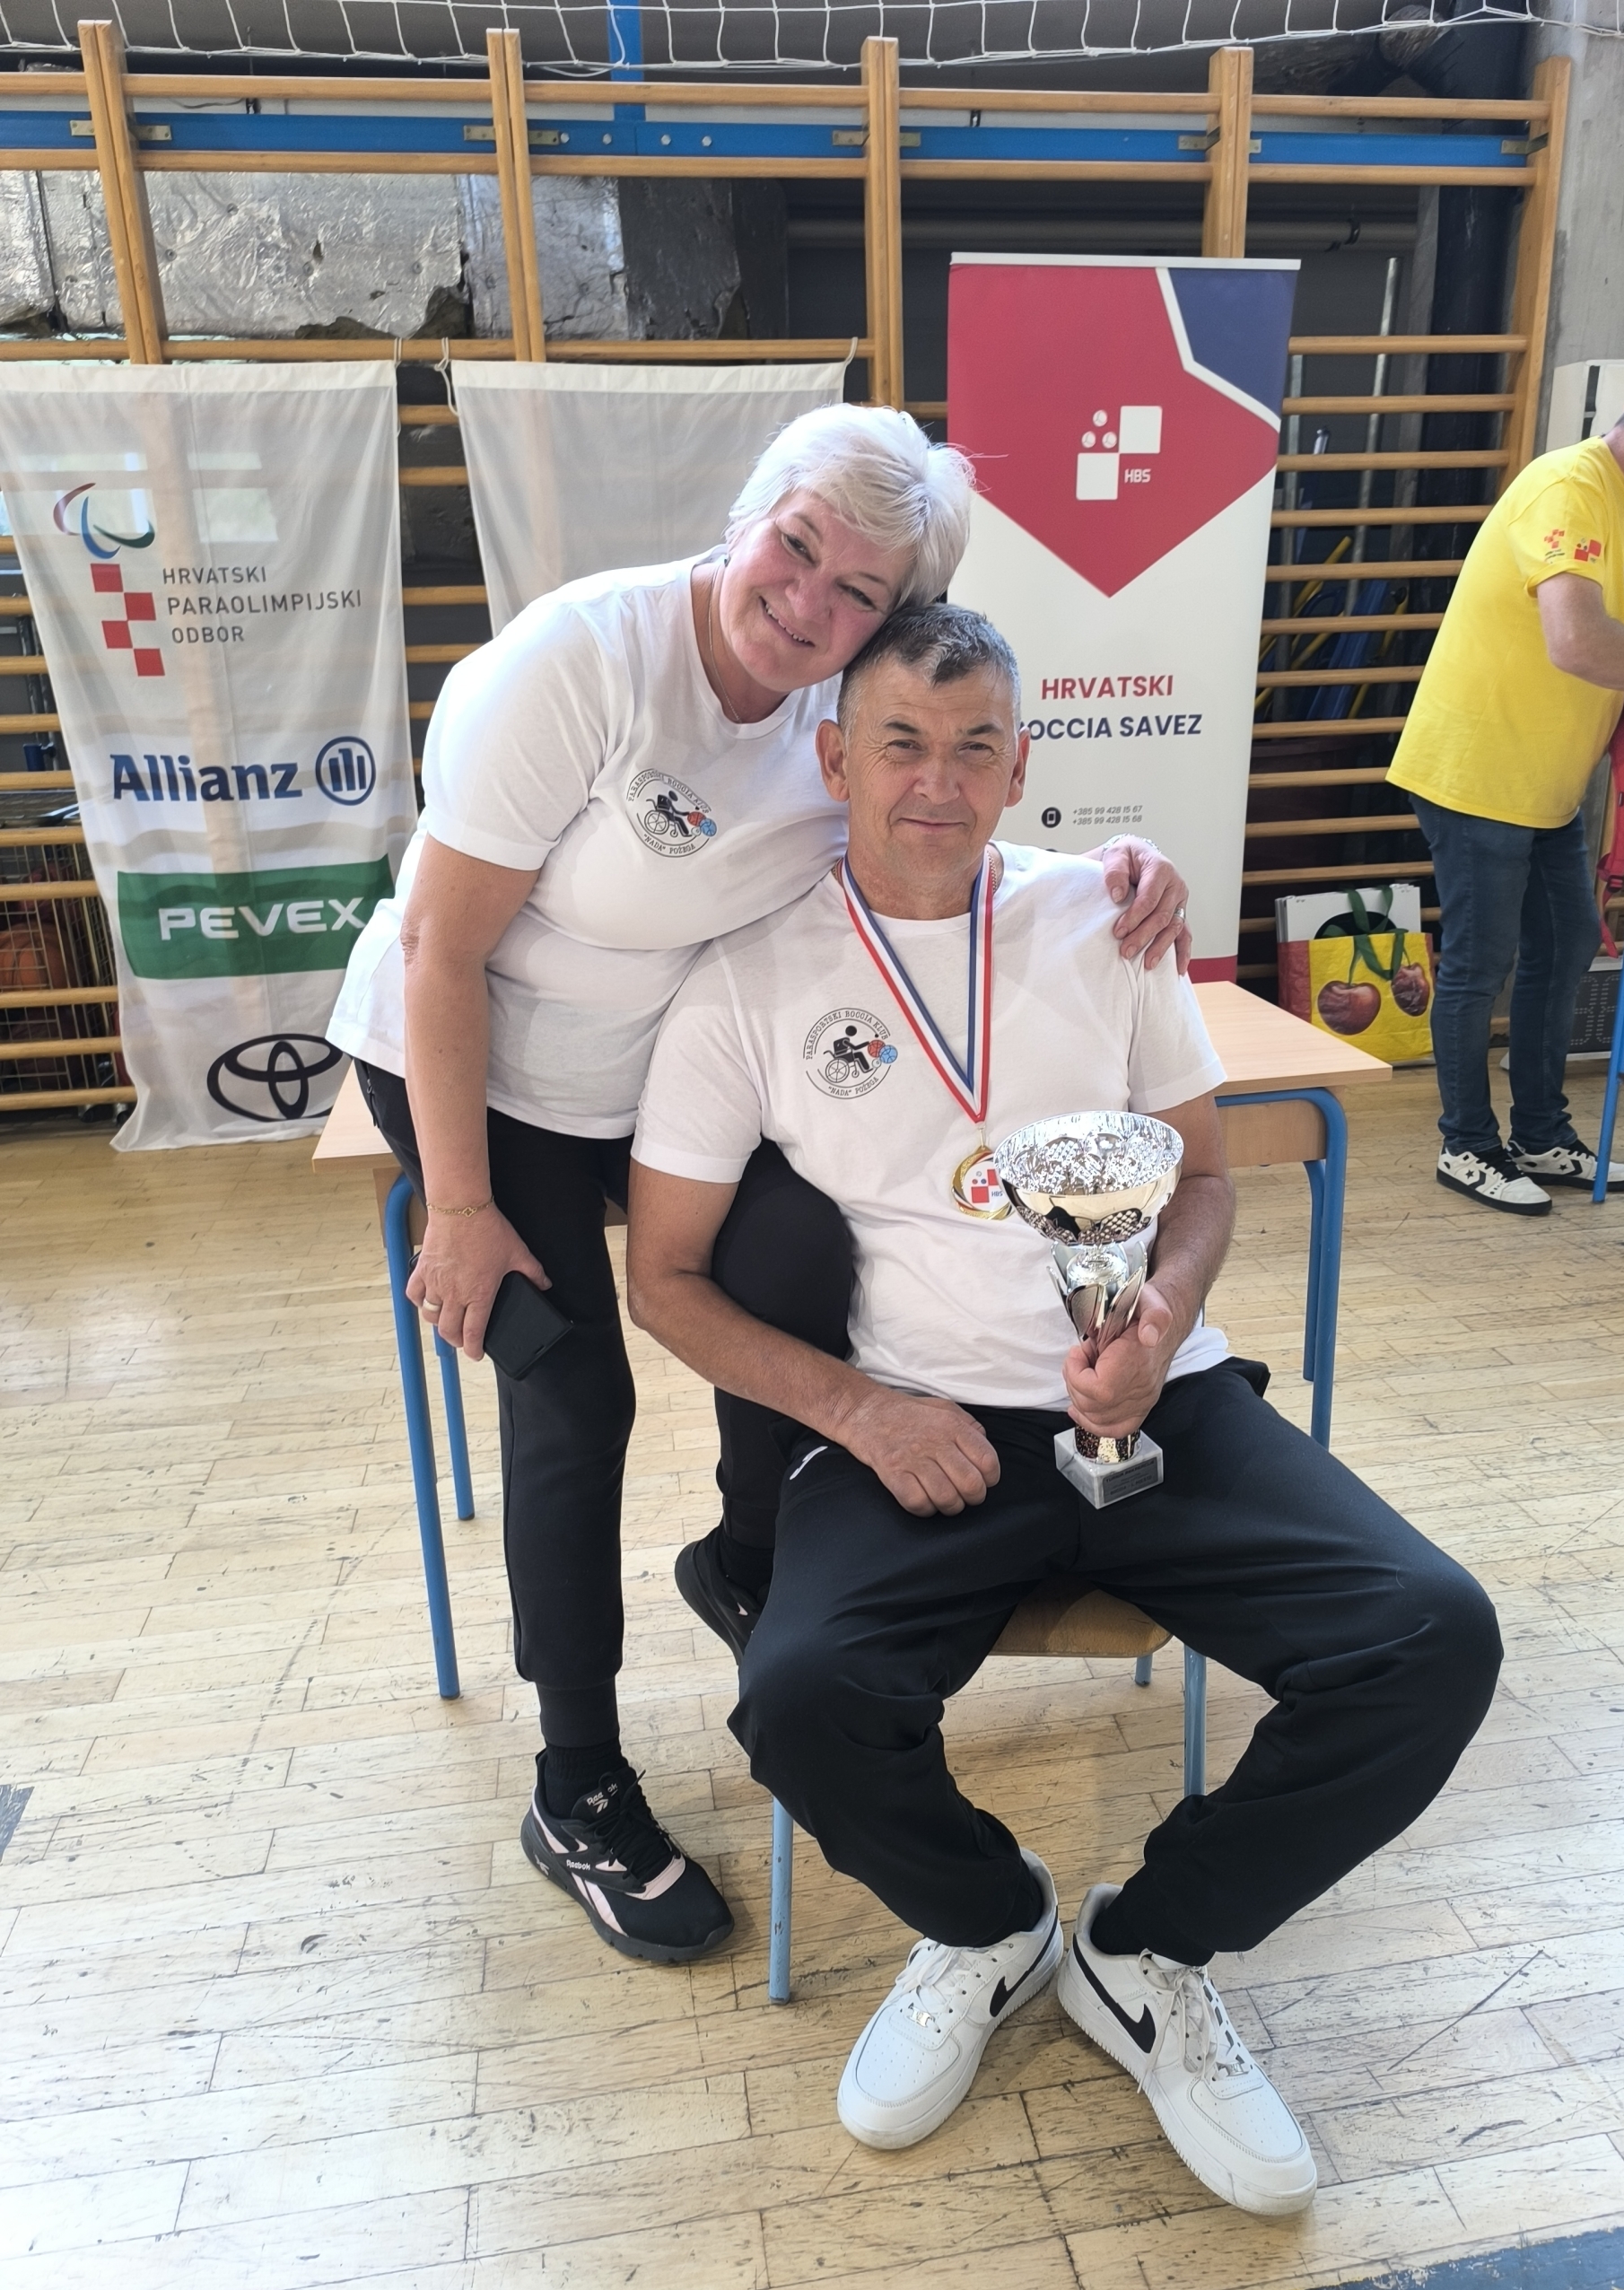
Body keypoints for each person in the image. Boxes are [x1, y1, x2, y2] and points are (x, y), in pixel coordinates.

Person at [625, 605, 1502, 2214]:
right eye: (901, 743)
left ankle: (1145, 1950)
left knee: (1434, 1636)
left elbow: (1207, 1179)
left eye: (976, 748)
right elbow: (665, 1280)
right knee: (799, 1695)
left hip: (1160, 1396)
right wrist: (866, 1416)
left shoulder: (1108, 921)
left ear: (1021, 763)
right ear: (835, 758)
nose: (938, 783)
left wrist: (1159, 1321)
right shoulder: (746, 976)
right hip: (921, 1423)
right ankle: (987, 1923)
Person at [326, 406, 1191, 1968]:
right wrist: (459, 1208)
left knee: (795, 1259)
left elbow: (945, 808)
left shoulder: (837, 715)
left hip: (652, 1078)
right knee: (573, 1388)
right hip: (473, 1069)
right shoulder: (584, 658)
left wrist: (1116, 865)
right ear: (747, 517)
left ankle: (746, 1562)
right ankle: (576, 1783)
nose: (807, 602)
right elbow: (442, 947)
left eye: (857, 591)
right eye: (795, 549)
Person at [1386, 352, 1624, 1214]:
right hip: (1475, 770)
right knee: (1479, 963)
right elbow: (1576, 642)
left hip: (1549, 784)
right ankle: (1467, 1146)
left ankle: (1539, 1133)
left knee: (1568, 944)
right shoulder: (1567, 487)